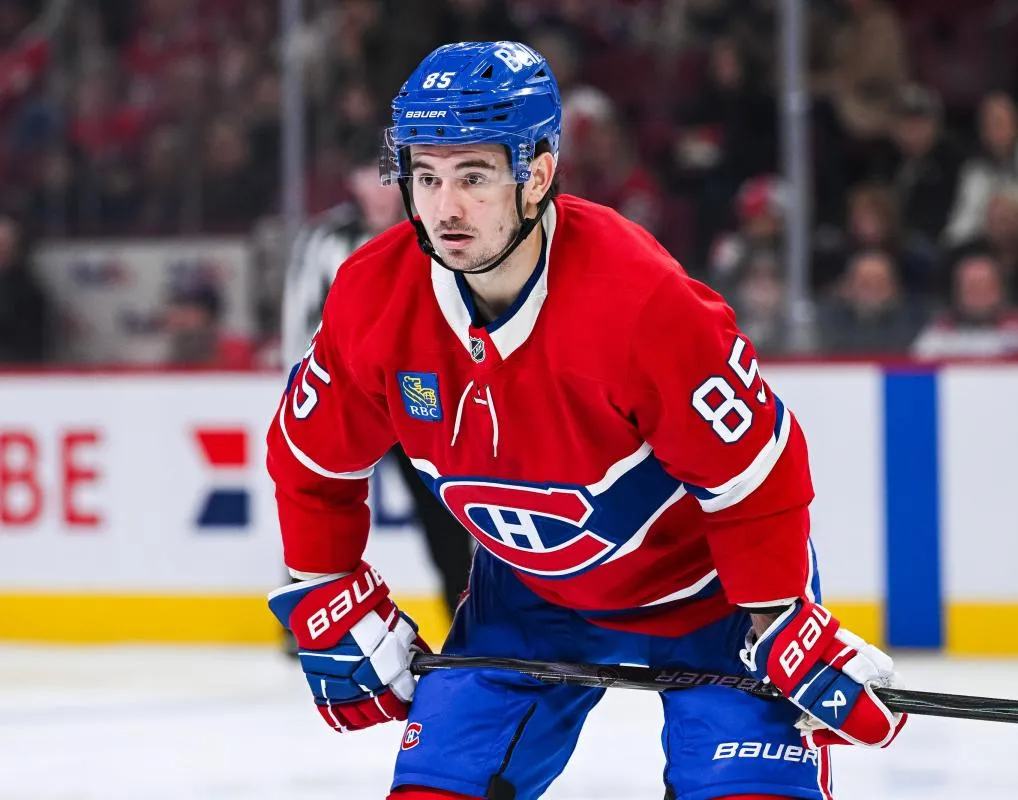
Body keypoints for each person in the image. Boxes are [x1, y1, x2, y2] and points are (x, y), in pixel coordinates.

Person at [265, 41, 907, 800]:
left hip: (710, 601)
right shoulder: (373, 297)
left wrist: (779, 619)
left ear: (536, 173)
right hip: (529, 601)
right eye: (426, 176)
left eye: (474, 176)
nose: (444, 209)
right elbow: (310, 462)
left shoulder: (642, 303)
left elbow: (755, 474)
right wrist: (325, 588)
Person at [279, 132, 474, 624]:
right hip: (347, 395)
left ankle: (465, 609)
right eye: (372, 176)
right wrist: (300, 388)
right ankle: (309, 613)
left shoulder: (434, 232)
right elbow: (299, 316)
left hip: (417, 397)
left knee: (444, 511)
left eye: (390, 177)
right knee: (317, 498)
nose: (382, 188)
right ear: (353, 182)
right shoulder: (324, 240)